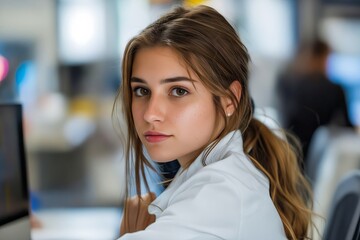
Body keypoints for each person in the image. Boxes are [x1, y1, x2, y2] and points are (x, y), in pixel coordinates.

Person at [113, 5, 313, 240]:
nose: (150, 114)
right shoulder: (222, 180)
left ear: (230, 99)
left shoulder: (221, 194)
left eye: (178, 91)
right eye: (142, 90)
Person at [276, 39, 353, 164]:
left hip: (287, 154)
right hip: (317, 158)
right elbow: (346, 126)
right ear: (322, 58)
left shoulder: (285, 81)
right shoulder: (334, 89)